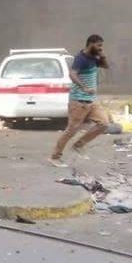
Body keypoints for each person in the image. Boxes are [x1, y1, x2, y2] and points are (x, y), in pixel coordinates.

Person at [50, 34, 109, 166]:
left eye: (101, 46)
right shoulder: (81, 58)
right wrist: (84, 87)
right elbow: (72, 74)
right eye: (98, 45)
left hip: (91, 100)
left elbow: (105, 66)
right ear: (91, 44)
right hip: (78, 101)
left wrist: (103, 56)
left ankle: (79, 145)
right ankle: (55, 157)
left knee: (104, 123)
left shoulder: (95, 57)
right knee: (71, 130)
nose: (100, 48)